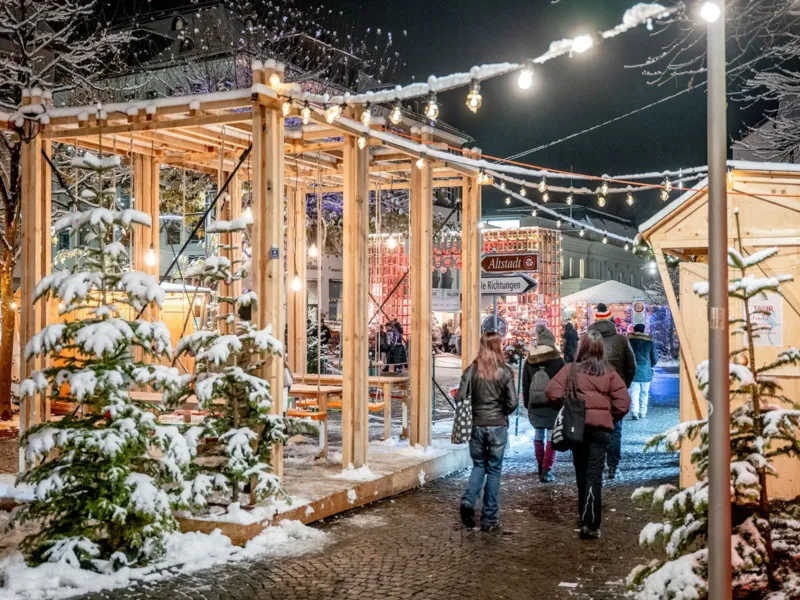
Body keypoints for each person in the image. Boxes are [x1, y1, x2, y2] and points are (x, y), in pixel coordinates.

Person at [545, 330, 631, 540]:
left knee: (581, 474)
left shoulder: (570, 370)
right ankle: (591, 523)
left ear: (581, 347)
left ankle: (583, 517)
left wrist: (567, 405)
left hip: (578, 428)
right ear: (601, 350)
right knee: (595, 474)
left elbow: (551, 391)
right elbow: (624, 403)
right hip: (601, 431)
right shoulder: (610, 372)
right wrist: (608, 416)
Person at [456, 332, 518, 532]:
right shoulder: (505, 372)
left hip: (476, 425)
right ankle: (489, 519)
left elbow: (459, 398)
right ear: (498, 347)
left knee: (479, 465)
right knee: (494, 470)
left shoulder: (471, 370)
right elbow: (513, 403)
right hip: (497, 426)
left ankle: (468, 501)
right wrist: (501, 412)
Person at [587, 303, 635, 480]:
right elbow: (631, 366)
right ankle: (613, 466)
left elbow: (577, 364)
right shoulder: (622, 341)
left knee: (593, 428)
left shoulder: (588, 340)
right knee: (615, 430)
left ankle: (596, 464)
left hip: (591, 391)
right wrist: (624, 385)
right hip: (616, 391)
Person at [522, 327, 565, 482]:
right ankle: (547, 469)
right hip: (553, 404)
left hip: (535, 403)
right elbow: (563, 383)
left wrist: (528, 403)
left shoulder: (530, 360)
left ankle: (540, 465)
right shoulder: (558, 360)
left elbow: (525, 384)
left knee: (538, 434)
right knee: (552, 437)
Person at [627, 324, 658, 419]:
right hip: (646, 371)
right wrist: (650, 365)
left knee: (634, 392)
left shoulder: (629, 341)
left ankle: (635, 411)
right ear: (643, 331)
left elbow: (626, 356)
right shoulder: (649, 342)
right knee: (644, 393)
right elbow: (655, 358)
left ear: (634, 330)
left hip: (633, 370)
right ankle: (643, 412)